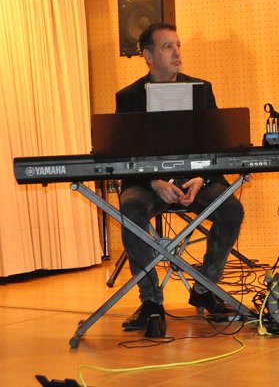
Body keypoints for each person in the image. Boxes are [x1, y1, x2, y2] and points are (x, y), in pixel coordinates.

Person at [116, 23, 245, 331]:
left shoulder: (202, 88)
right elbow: (123, 155)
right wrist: (153, 182)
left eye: (178, 45)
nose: (177, 53)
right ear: (147, 55)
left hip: (197, 180)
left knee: (230, 210)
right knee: (131, 208)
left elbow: (215, 144)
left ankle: (205, 290)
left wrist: (201, 177)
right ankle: (151, 302)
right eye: (167, 47)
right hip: (149, 183)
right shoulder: (129, 97)